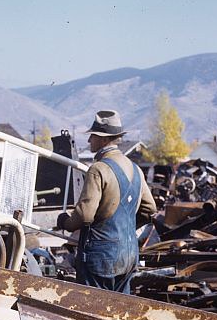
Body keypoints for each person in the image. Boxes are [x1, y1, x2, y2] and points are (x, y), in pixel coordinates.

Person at [56, 110, 156, 293]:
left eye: (92, 136)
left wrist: (65, 222)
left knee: (93, 310)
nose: (89, 141)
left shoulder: (99, 169)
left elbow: (85, 215)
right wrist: (124, 228)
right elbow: (150, 209)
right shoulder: (135, 169)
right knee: (119, 311)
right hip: (128, 253)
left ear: (103, 139)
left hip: (101, 258)